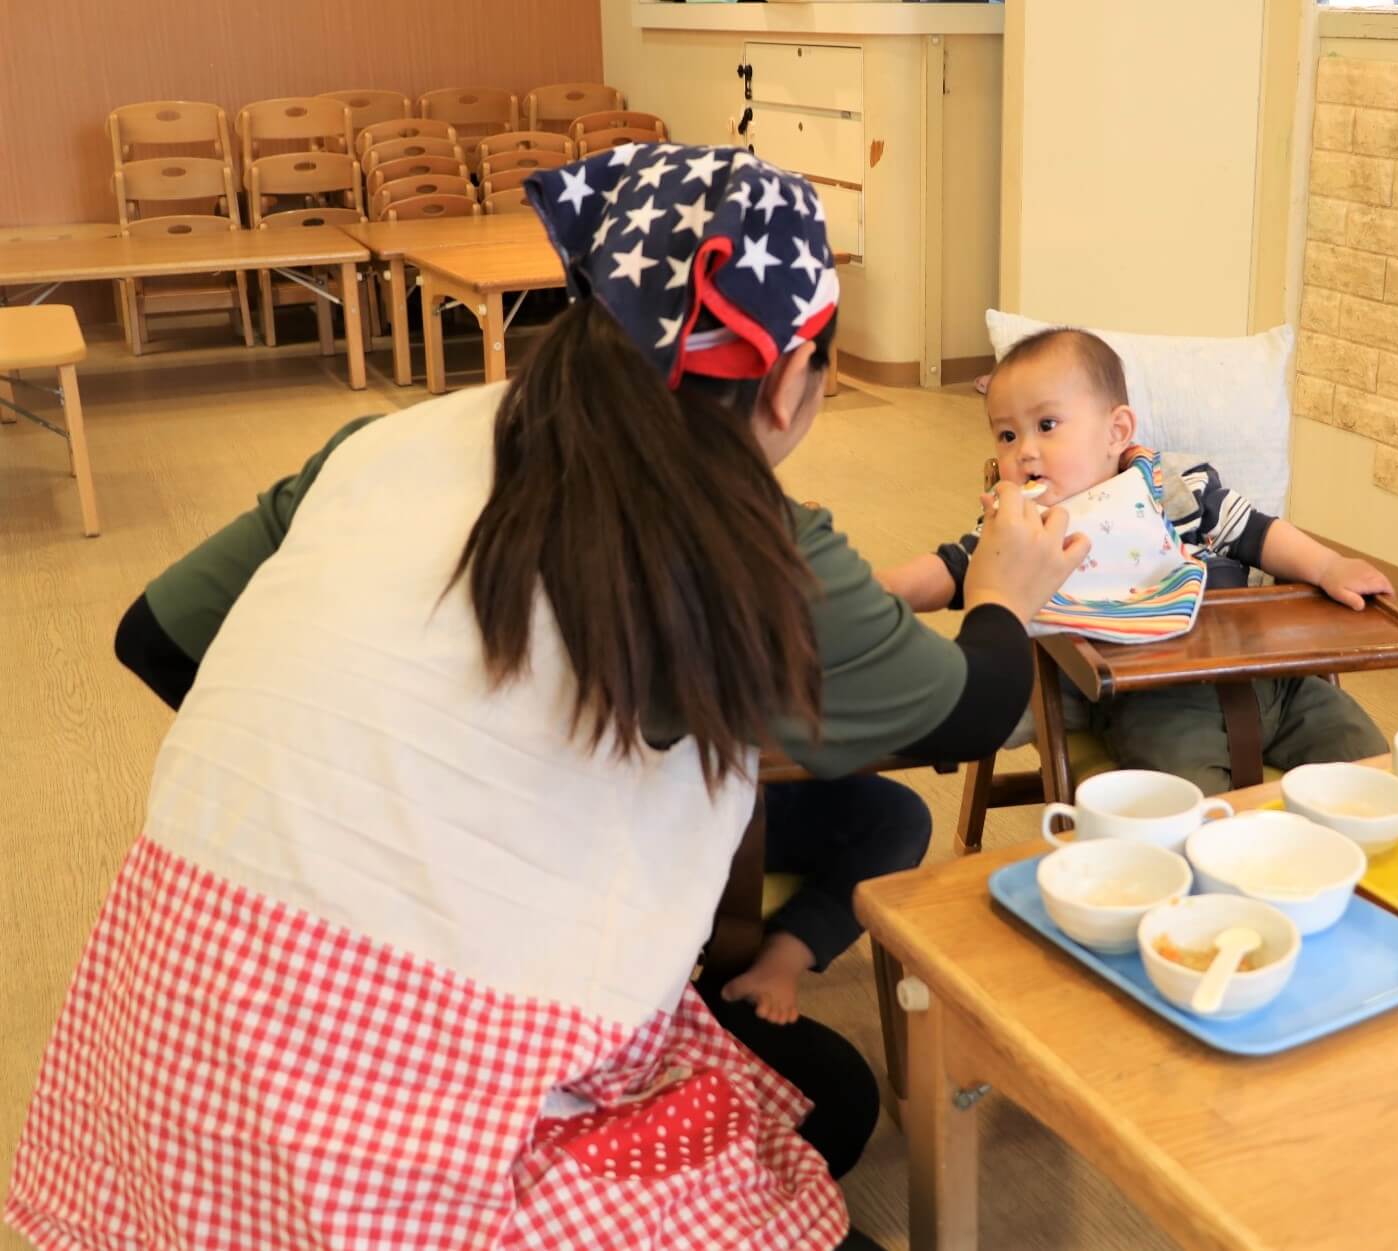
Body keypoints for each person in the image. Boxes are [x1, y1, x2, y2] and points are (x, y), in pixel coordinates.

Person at [8, 145, 1086, 1251]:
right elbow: (967, 711)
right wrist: (1003, 588)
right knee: (807, 1163)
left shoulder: (390, 436)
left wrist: (361, 783)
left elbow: (153, 635)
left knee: (827, 1098)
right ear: (785, 379)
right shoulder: (749, 542)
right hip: (411, 1119)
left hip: (162, 1031)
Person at [879, 327, 1392, 796]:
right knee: (1187, 804)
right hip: (1157, 702)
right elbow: (954, 568)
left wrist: (1328, 567)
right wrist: (878, 590)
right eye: (1007, 435)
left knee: (1371, 764)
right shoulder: (1023, 525)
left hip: (1271, 674)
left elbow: (1256, 532)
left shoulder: (1173, 485)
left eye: (1047, 425)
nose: (1025, 453)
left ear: (1116, 431)